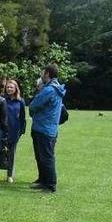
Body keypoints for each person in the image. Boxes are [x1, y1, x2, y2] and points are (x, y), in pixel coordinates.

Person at [29, 64, 66, 193]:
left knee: (46, 157)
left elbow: (34, 105)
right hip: (47, 128)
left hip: (44, 128)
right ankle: (42, 180)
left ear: (48, 74)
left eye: (42, 72)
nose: (41, 74)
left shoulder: (49, 90)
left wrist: (33, 108)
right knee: (41, 156)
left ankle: (50, 185)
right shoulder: (55, 88)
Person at [3, 79, 26, 183]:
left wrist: (21, 131)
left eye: (11, 87)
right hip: (2, 130)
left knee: (11, 153)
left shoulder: (21, 101)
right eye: (7, 87)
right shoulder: (2, 99)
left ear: (16, 88)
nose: (9, 89)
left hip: (14, 131)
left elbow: (23, 118)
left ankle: (9, 175)